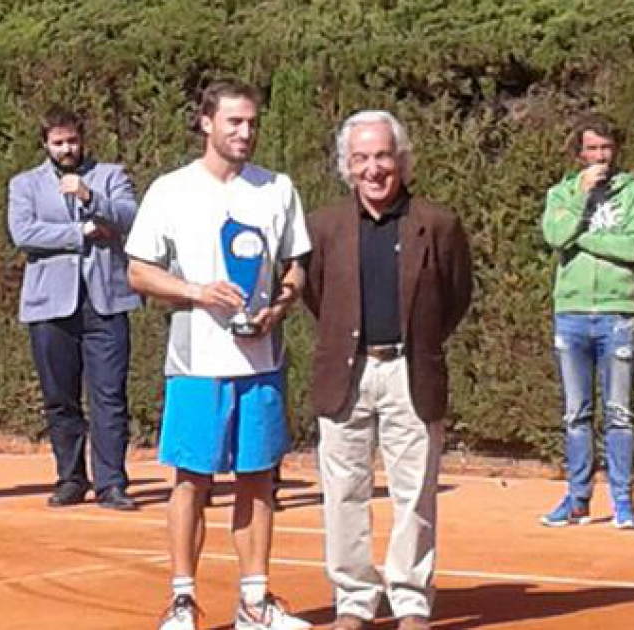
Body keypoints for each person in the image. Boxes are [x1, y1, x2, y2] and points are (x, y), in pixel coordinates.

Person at [126, 79, 311, 630]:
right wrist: (197, 292)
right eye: (234, 122)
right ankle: (183, 601)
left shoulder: (277, 188)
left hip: (261, 364)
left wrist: (281, 302)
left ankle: (255, 602)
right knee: (191, 480)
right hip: (196, 365)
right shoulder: (170, 190)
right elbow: (138, 270)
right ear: (206, 122)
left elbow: (296, 265)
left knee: (259, 479)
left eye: (252, 122)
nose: (245, 132)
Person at [303, 111, 472, 630]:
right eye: (361, 158)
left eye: (382, 156)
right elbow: (315, 295)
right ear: (346, 166)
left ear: (401, 160)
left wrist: (417, 345)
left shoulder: (438, 224)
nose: (373, 169)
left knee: (415, 492)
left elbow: (456, 296)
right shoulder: (323, 226)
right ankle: (353, 602)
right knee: (343, 492)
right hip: (345, 376)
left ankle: (411, 601)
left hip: (410, 372)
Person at [7, 106, 141, 511]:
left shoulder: (110, 176)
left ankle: (111, 482)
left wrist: (89, 198)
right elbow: (23, 232)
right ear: (46, 144)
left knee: (109, 395)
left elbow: (131, 216)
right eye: (58, 142)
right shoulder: (25, 184)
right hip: (50, 304)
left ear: (83, 140)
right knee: (60, 396)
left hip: (105, 301)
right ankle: (70, 477)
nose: (66, 149)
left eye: (72, 141)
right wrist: (81, 231)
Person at [540, 116, 634, 530]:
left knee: (620, 413)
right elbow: (554, 235)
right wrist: (579, 200)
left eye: (605, 149)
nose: (600, 157)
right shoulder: (562, 193)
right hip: (570, 315)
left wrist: (583, 238)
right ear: (579, 153)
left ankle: (623, 502)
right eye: (592, 149)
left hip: (617, 314)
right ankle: (577, 499)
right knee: (576, 414)